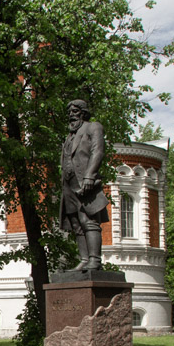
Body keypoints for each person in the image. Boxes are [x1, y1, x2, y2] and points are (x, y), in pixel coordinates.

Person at [58, 99, 110, 271]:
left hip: (84, 181)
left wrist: (89, 176)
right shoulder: (69, 137)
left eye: (75, 111)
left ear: (83, 112)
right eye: (69, 112)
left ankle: (95, 260)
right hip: (69, 184)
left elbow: (98, 151)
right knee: (76, 224)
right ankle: (84, 259)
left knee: (88, 220)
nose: (71, 115)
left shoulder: (93, 127)